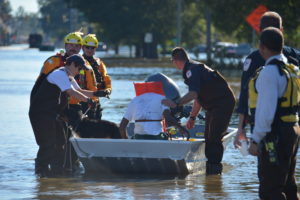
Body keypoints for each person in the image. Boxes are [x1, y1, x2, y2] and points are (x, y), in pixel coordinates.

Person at [29, 54, 105, 177]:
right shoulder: (59, 74)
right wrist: (88, 101)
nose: (80, 71)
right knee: (48, 143)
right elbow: (71, 92)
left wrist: (97, 93)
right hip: (40, 114)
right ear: (72, 64)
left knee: (61, 141)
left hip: (50, 113)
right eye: (79, 68)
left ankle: (56, 171)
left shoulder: (68, 76)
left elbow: (79, 91)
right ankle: (40, 172)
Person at [162, 47, 236, 175]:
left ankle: (214, 171)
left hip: (222, 103)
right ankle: (211, 180)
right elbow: (199, 98)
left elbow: (193, 94)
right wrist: (192, 117)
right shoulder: (192, 68)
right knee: (208, 136)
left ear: (175, 60)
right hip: (213, 104)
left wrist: (176, 103)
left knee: (214, 137)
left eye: (173, 61)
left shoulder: (192, 70)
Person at [234, 11, 300, 148]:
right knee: (288, 168)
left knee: (269, 167)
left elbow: (246, 95)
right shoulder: (296, 58)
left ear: (260, 32)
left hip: (268, 131)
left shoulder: (254, 60)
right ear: (281, 31)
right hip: (294, 126)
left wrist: (241, 129)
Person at [248, 27, 300, 200]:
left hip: (275, 134)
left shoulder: (269, 72)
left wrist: (255, 139)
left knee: (270, 189)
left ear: (262, 47)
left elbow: (266, 112)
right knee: (288, 184)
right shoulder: (292, 69)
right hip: (293, 129)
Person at [119, 82, 189, 140]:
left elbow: (122, 127)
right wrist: (181, 128)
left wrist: (126, 141)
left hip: (139, 138)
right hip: (157, 138)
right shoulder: (162, 99)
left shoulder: (134, 100)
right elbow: (168, 119)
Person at [30, 31, 84, 102]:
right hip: (54, 102)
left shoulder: (84, 64)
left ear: (80, 48)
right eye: (71, 45)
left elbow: (87, 86)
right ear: (65, 46)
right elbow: (39, 83)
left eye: (76, 46)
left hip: (76, 102)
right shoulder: (53, 61)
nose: (73, 48)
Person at [81, 34, 112, 119]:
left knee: (97, 126)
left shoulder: (99, 63)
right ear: (83, 47)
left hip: (96, 101)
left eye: (92, 47)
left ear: (96, 48)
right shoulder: (77, 61)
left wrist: (108, 90)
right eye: (87, 47)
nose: (90, 50)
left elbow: (106, 78)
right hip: (81, 101)